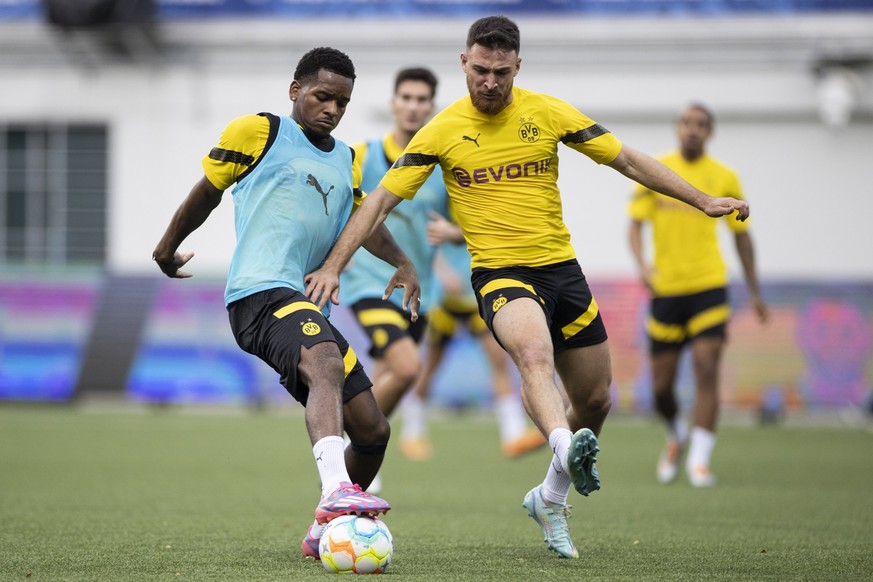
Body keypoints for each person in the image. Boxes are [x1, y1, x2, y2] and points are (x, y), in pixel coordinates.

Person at [303, 17, 750, 560]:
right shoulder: (441, 131)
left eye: (501, 72)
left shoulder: (548, 112)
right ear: (463, 64)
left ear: (517, 66)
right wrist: (332, 265)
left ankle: (550, 494)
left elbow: (627, 159)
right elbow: (376, 203)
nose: (490, 83)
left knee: (595, 399)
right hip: (499, 275)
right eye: (481, 71)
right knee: (533, 355)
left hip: (563, 271)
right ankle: (565, 448)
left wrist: (701, 200)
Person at [151, 47, 420, 562]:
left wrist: (402, 262)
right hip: (257, 293)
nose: (332, 109)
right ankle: (337, 493)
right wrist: (166, 246)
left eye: (342, 102)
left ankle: (323, 530)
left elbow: (360, 225)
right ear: (295, 90)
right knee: (322, 361)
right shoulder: (259, 131)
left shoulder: (346, 159)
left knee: (373, 429)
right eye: (323, 96)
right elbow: (206, 192)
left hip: (298, 302)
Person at [628, 103, 768, 487]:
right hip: (666, 290)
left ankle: (700, 462)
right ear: (677, 128)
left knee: (707, 368)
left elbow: (743, 237)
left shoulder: (725, 177)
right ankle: (676, 433)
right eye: (687, 123)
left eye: (701, 125)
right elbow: (635, 227)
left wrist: (755, 292)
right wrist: (643, 266)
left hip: (708, 286)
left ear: (710, 133)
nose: (693, 130)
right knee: (660, 389)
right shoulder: (656, 171)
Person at [338, 68, 446, 480]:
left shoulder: (442, 164)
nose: (414, 106)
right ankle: (355, 451)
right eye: (407, 97)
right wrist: (333, 258)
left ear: (431, 106)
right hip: (370, 284)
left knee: (388, 376)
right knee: (405, 368)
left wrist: (453, 233)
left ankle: (361, 453)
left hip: (422, 293)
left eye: (422, 99)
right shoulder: (364, 156)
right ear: (393, 103)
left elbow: (467, 223)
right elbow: (340, 205)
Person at [401, 211, 546, 460]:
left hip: (477, 296)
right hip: (446, 299)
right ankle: (412, 432)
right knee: (430, 366)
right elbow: (429, 243)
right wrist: (444, 274)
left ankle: (513, 434)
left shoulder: (487, 203)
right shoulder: (447, 199)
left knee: (498, 362)